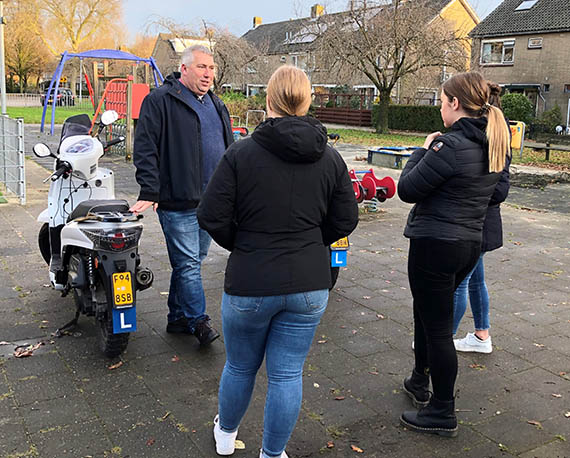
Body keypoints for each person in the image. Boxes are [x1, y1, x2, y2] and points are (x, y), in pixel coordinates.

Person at [197, 66, 358, 457]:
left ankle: (225, 436)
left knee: (239, 367)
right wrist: (310, 243)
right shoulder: (332, 159)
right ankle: (273, 454)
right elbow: (346, 219)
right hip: (309, 283)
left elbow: (211, 215)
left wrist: (244, 244)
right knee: (287, 373)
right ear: (307, 101)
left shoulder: (241, 153)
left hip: (250, 281)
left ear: (268, 101)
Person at [397, 72, 510, 437]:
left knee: (439, 331)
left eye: (442, 101)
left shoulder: (449, 147)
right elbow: (495, 194)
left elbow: (407, 189)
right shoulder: (492, 143)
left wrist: (423, 149)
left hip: (435, 246)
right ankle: (419, 380)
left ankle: (442, 409)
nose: (440, 108)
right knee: (427, 314)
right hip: (468, 245)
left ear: (455, 104)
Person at [130, 45, 233, 345]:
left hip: (211, 202)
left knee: (191, 261)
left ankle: (177, 317)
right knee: (188, 264)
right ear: (184, 69)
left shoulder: (217, 104)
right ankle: (199, 321)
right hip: (176, 201)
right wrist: (150, 190)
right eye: (202, 67)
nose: (208, 74)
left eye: (211, 68)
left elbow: (228, 150)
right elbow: (145, 148)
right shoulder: (160, 100)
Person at [453, 83, 511, 353]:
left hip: (475, 223)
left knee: (459, 283)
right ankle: (481, 335)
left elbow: (500, 189)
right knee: (475, 279)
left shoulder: (487, 135)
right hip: (482, 224)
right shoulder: (496, 133)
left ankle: (439, 341)